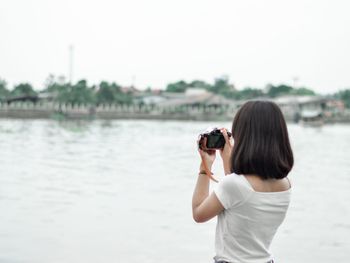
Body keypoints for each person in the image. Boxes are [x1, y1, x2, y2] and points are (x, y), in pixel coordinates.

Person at [192, 100, 294, 263]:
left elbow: (198, 213)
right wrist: (228, 159)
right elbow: (239, 202)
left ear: (244, 135)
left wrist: (205, 165)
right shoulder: (285, 185)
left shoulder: (234, 185)